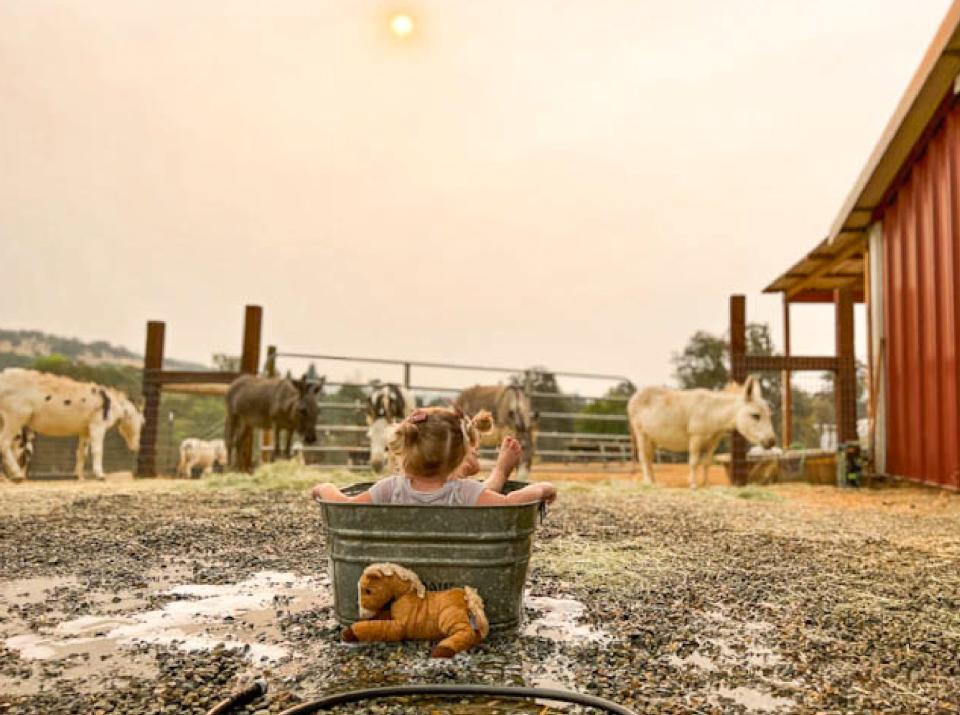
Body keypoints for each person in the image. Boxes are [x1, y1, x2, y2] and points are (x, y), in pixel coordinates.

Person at [311, 407, 556, 506]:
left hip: (398, 586)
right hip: (456, 590)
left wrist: (325, 487)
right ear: (461, 457)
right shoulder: (464, 492)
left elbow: (343, 506)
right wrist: (542, 488)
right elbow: (509, 503)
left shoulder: (390, 489)